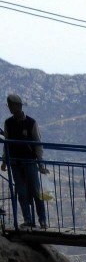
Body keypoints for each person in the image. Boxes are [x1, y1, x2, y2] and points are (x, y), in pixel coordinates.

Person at [1, 93, 48, 230]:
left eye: (11, 105)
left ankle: (42, 220)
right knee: (21, 192)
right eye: (9, 105)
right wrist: (5, 161)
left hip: (29, 162)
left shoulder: (31, 123)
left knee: (36, 191)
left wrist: (40, 163)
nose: (10, 108)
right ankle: (28, 220)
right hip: (16, 162)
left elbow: (38, 144)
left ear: (18, 106)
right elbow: (7, 143)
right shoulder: (8, 123)